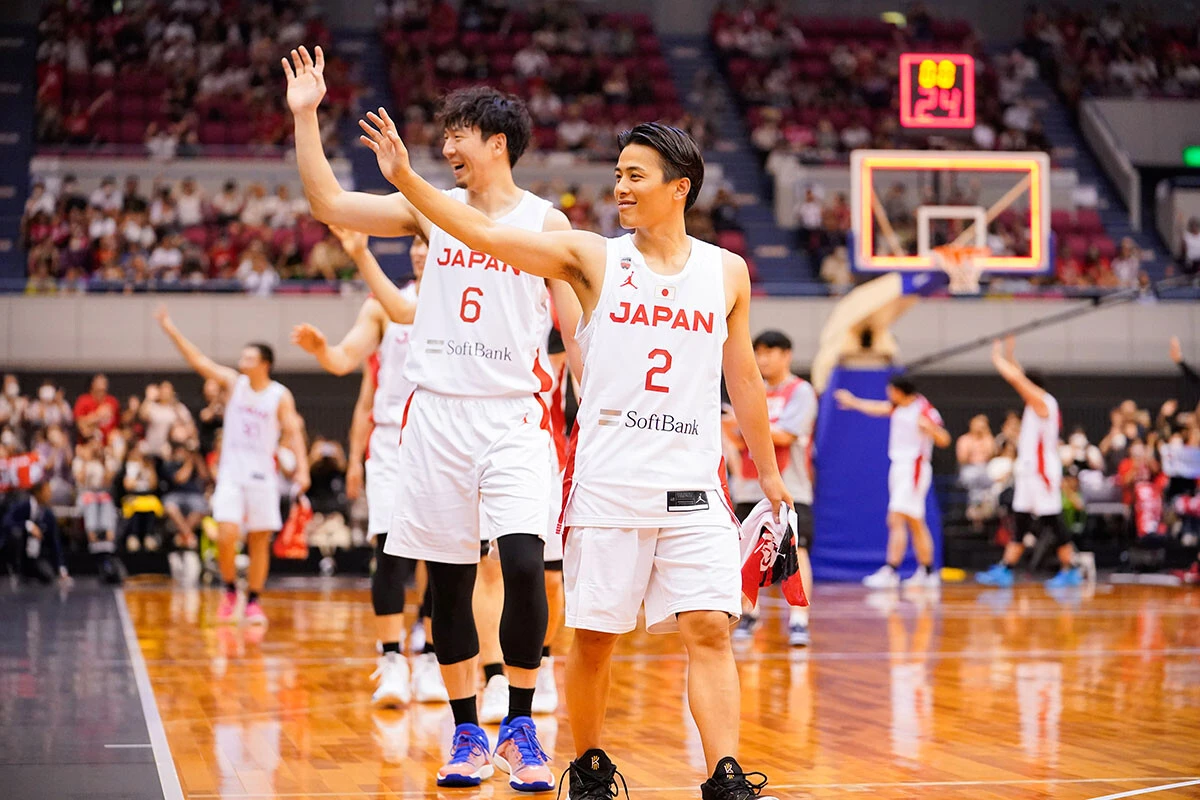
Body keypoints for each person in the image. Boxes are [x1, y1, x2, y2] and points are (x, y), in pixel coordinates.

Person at [356, 98, 790, 799]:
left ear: (680, 186)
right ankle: (589, 766)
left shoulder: (726, 273)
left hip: (693, 480)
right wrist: (409, 181)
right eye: (618, 173)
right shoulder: (592, 255)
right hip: (610, 479)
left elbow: (742, 377)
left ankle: (725, 774)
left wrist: (767, 473)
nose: (619, 188)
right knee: (593, 638)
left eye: (635, 175)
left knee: (710, 626)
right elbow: (483, 235)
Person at [285, 46, 576, 790]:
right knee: (446, 586)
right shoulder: (424, 209)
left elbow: (576, 333)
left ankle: (520, 724)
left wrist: (598, 407)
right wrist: (306, 116)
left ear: (497, 143)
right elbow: (329, 205)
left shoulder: (547, 222)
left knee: (520, 567)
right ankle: (466, 734)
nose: (444, 147)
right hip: (436, 417)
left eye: (457, 135)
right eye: (441, 135)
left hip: (514, 418)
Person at [291, 227, 448, 709]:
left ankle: (430, 657)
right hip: (391, 442)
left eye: (430, 243)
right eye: (417, 243)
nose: (422, 250)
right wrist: (323, 351)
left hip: (446, 438)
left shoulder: (468, 303)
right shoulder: (384, 305)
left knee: (443, 558)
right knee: (391, 549)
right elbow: (345, 362)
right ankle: (392, 660)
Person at [154, 306, 309, 623]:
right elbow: (199, 361)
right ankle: (229, 590)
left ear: (264, 364)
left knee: (259, 541)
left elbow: (294, 432)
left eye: (250, 358)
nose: (243, 361)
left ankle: (253, 600)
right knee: (226, 534)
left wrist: (303, 469)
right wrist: (171, 329)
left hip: (263, 475)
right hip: (231, 474)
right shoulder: (233, 383)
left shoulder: (280, 395)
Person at [726, 330, 817, 647]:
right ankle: (749, 614)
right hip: (750, 486)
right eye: (758, 353)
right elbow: (738, 441)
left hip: (789, 486)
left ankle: (799, 620)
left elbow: (786, 435)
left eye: (770, 352)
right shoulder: (752, 391)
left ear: (786, 355)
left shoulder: (800, 392)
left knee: (797, 551)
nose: (762, 359)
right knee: (747, 553)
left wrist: (744, 425)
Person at [977, 339, 1082, 588]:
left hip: (1042, 473)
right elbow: (1020, 377)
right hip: (1028, 472)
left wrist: (998, 360)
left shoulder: (1044, 403)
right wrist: (1011, 354)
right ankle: (1006, 568)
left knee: (1052, 521)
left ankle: (1071, 570)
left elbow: (1017, 380)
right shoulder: (1035, 404)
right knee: (1021, 519)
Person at [835, 377, 951, 589]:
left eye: (891, 390)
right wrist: (853, 402)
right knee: (915, 522)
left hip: (914, 468)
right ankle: (926, 571)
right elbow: (876, 408)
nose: (888, 393)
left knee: (896, 518)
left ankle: (892, 570)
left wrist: (931, 429)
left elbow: (944, 439)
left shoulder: (923, 408)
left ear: (900, 391)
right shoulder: (897, 407)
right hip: (899, 467)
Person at [1, 481, 70, 584]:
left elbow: (54, 542)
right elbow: (6, 522)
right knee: (16, 534)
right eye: (47, 491)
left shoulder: (48, 514)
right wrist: (28, 525)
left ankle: (30, 572)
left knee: (48, 576)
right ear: (38, 493)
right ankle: (14, 569)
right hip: (18, 552)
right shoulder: (22, 504)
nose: (49, 495)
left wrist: (61, 568)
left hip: (36, 554)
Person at [74, 373, 120, 442]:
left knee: (117, 438)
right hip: (90, 440)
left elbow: (119, 423)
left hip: (109, 441)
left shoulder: (112, 401)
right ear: (92, 386)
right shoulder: (83, 400)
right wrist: (97, 417)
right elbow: (80, 424)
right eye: (99, 390)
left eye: (103, 389)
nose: (101, 392)